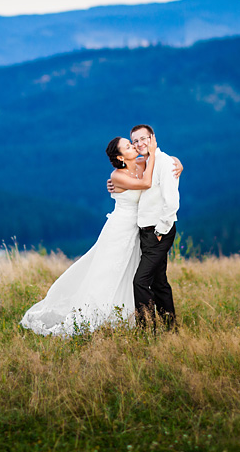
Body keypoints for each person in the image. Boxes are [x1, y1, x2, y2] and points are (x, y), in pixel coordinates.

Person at [20, 135, 182, 337]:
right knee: (107, 273)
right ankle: (93, 315)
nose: (133, 147)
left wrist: (178, 164)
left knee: (131, 273)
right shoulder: (117, 176)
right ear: (120, 157)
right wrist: (154, 154)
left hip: (139, 229)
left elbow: (167, 159)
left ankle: (130, 318)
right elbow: (147, 183)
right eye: (128, 146)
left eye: (131, 144)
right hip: (120, 228)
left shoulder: (141, 162)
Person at [110, 124, 181, 329]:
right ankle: (170, 328)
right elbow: (128, 177)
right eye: (135, 141)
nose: (139, 144)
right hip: (146, 231)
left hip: (158, 231)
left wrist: (161, 230)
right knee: (159, 282)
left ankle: (146, 328)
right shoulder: (146, 161)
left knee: (140, 281)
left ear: (153, 138)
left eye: (143, 139)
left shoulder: (165, 162)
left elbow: (172, 202)